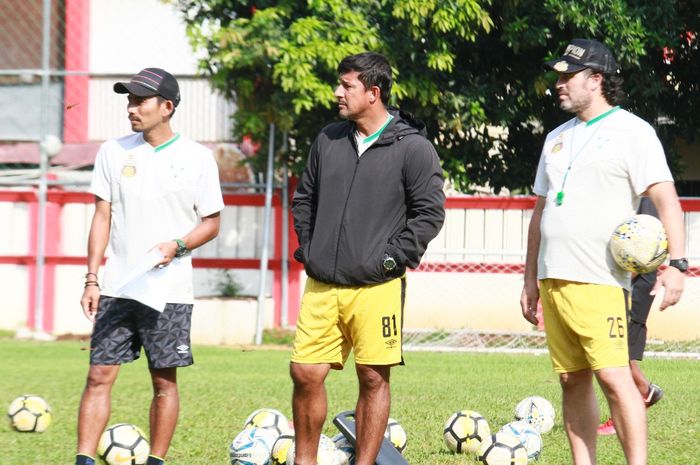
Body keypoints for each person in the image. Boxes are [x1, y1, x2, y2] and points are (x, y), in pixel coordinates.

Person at [520, 39, 687, 465]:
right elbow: (541, 211)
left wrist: (678, 266)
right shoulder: (555, 138)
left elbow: (667, 199)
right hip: (552, 278)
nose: (558, 84)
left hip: (601, 280)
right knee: (571, 381)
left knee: (615, 379)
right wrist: (528, 280)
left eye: (567, 76)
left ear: (595, 81)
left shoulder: (634, 132)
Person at [290, 52, 445, 465]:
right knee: (305, 373)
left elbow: (429, 214)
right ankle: (303, 460)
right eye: (339, 84)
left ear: (373, 93)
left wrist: (392, 260)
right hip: (323, 284)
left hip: (378, 287)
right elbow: (304, 199)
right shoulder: (328, 139)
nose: (338, 93)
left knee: (373, 377)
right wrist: (310, 248)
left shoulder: (413, 148)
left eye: (347, 86)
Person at [75, 68, 224, 465]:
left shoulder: (197, 159)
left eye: (140, 100)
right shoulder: (113, 151)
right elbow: (101, 217)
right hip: (117, 288)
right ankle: (83, 460)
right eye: (128, 99)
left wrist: (177, 245)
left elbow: (211, 223)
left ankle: (156, 460)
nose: (131, 108)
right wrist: (92, 279)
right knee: (98, 376)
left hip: (169, 290)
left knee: (163, 381)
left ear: (167, 107)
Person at [597, 197, 664, 435]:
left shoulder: (645, 197)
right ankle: (646, 392)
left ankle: (638, 399)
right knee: (619, 354)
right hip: (628, 282)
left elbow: (642, 247)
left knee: (619, 355)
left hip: (636, 284)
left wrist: (623, 280)